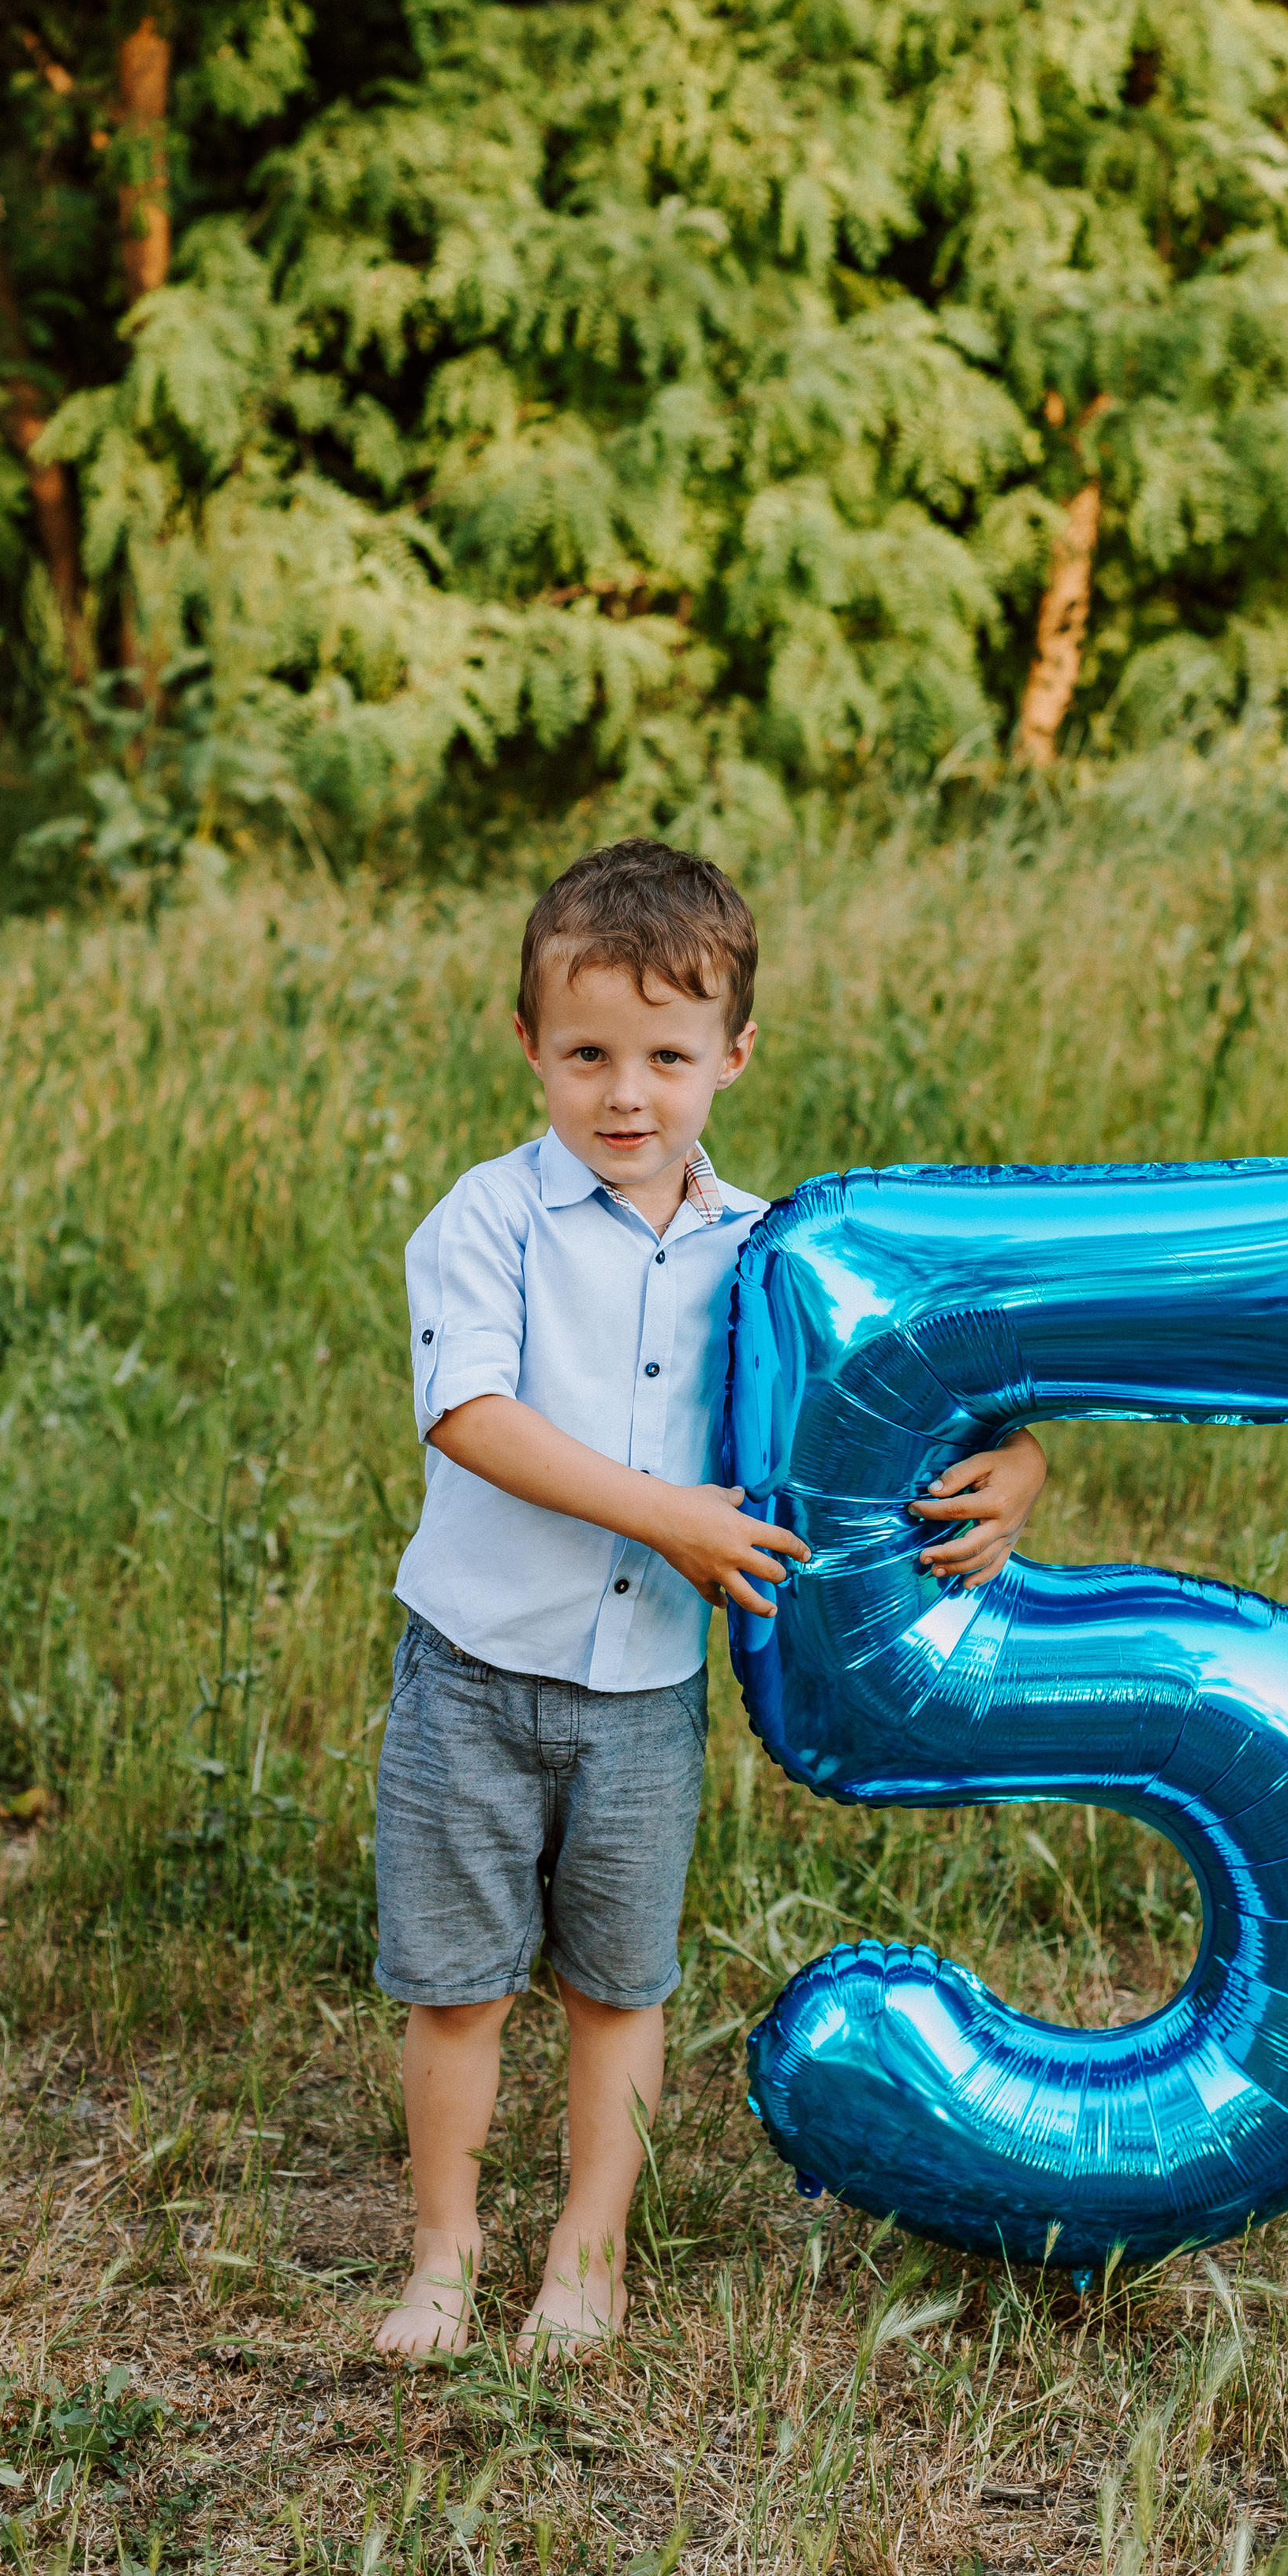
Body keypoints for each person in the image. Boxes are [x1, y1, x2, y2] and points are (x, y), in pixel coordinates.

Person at [370, 839, 1049, 2357]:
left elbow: (930, 1385)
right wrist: (668, 1515)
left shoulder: (774, 1256)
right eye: (588, 1053)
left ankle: (587, 2256)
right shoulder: (488, 1220)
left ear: (733, 1056)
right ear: (530, 1047)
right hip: (475, 1674)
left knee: (618, 1987)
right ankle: (441, 2256)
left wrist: (1016, 1470)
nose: (627, 1094)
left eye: (668, 1057)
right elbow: (468, 1412)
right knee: (459, 1989)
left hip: (642, 1702)